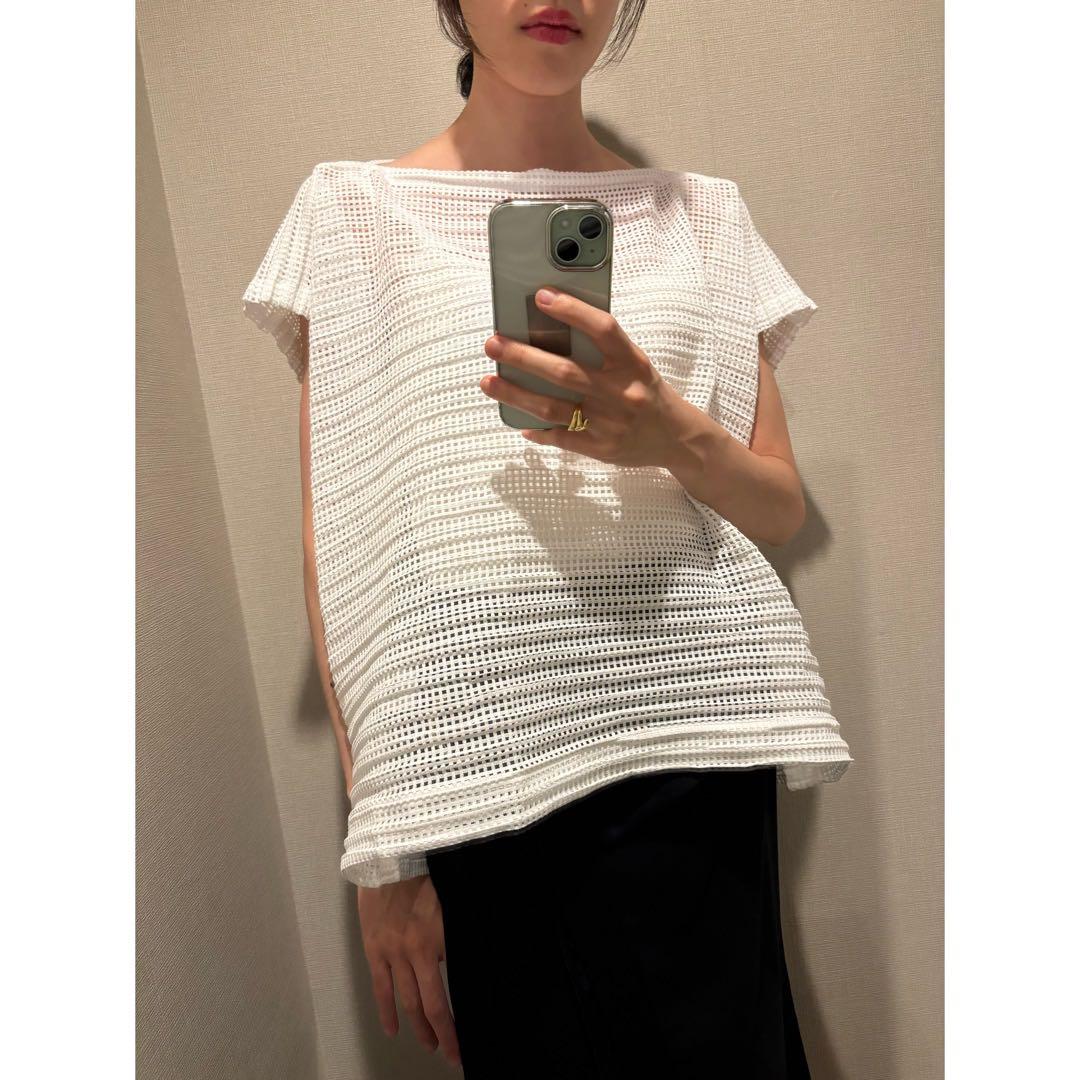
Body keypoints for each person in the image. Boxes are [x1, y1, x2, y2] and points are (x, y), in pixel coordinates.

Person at [242, 2, 853, 1076]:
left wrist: (668, 435)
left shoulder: (703, 218)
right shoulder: (352, 216)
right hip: (485, 761)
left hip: (697, 744)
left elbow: (778, 508)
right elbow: (340, 547)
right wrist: (386, 853)